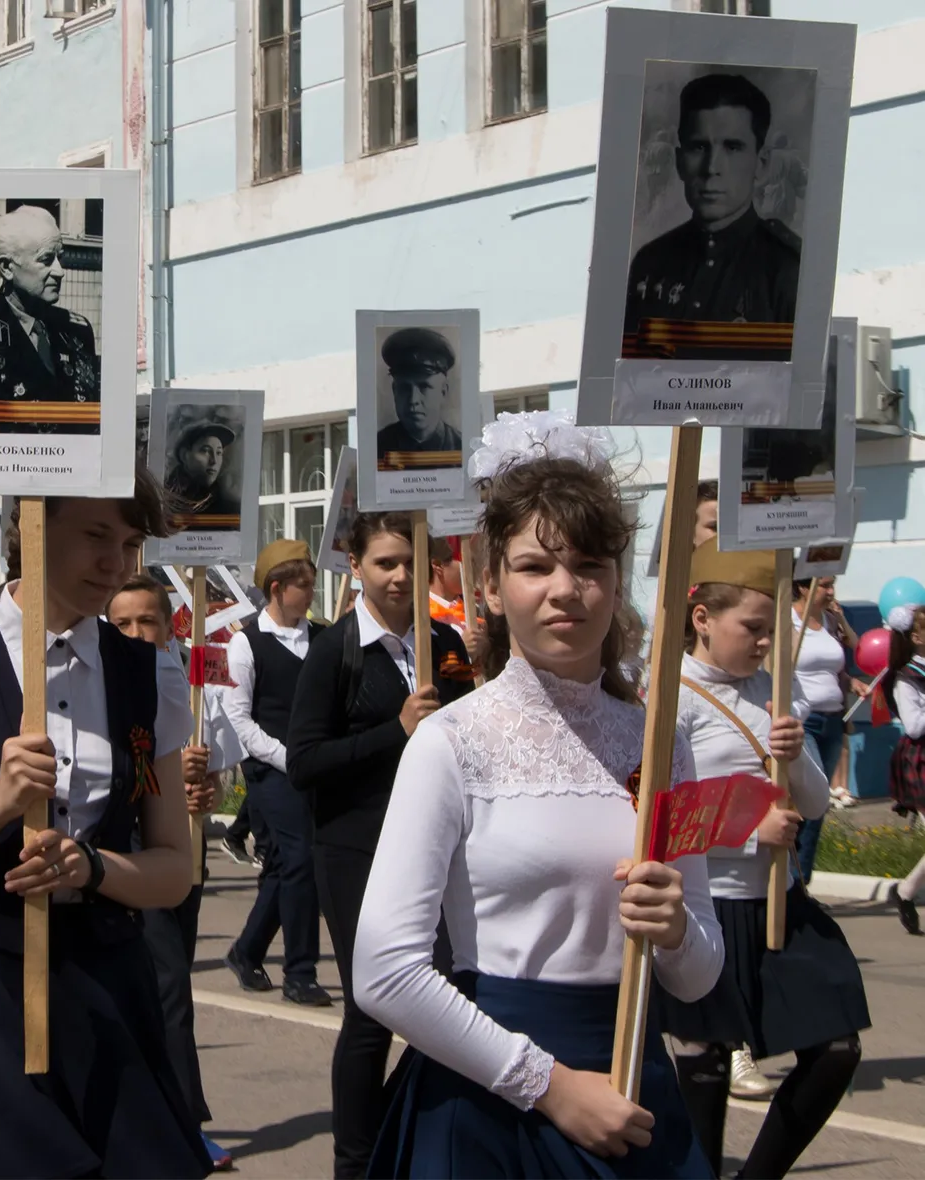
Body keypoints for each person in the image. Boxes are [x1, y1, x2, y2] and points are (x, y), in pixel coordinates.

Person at [354, 446, 722, 1178]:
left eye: (589, 565)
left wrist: (677, 928)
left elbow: (699, 977)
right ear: (491, 587)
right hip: (491, 1092)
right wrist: (549, 1088)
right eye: (535, 566)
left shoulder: (662, 743)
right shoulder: (450, 742)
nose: (565, 590)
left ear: (616, 584)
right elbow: (384, 970)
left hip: (632, 1087)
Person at [0, 474, 210, 1178]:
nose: (116, 563)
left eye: (129, 543)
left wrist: (92, 867)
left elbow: (172, 869)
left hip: (105, 972)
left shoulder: (149, 676)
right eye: (96, 536)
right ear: (30, 527)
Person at [659, 540, 867, 1179]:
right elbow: (659, 817)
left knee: (835, 1048)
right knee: (705, 1064)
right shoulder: (669, 697)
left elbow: (813, 801)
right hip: (710, 906)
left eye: (769, 629)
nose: (764, 642)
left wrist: (795, 754)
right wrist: (751, 831)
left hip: (778, 902)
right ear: (702, 619)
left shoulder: (773, 689)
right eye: (751, 627)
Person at [286, 513, 474, 1178]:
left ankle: (405, 1130)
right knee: (372, 1013)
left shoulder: (446, 642)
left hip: (439, 849)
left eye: (410, 563)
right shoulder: (334, 650)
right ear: (356, 567)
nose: (399, 576)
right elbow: (305, 762)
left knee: (454, 1000)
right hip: (357, 852)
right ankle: (355, 1161)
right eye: (385, 563)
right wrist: (397, 730)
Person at [107, 572, 234, 1172]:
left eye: (147, 621)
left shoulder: (193, 683)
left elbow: (220, 777)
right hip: (128, 855)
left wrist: (206, 789)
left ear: (169, 626)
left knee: (167, 982)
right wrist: (161, 776)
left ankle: (153, 1116)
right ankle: (183, 1125)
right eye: (123, 623)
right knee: (169, 989)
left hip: (184, 851)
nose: (136, 632)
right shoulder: (102, 684)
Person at [224, 539, 332, 1007]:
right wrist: (288, 757)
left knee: (287, 866)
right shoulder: (246, 643)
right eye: (303, 585)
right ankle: (300, 972)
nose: (311, 593)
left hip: (320, 769)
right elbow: (239, 718)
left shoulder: (324, 639)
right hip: (272, 771)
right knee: (302, 859)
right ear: (276, 588)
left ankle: (246, 951)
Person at [624, 73, 800, 358]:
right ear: (679, 162)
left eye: (732, 147)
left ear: (762, 164)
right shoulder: (650, 263)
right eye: (699, 147)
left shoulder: (788, 271)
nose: (711, 168)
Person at [0, 205, 100, 430]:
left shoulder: (77, 330)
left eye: (60, 258)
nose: (60, 271)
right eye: (46, 259)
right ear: (7, 268)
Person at [792, 575, 860, 885]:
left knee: (819, 805)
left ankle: (802, 882)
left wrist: (851, 682)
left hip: (833, 718)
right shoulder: (788, 619)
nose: (831, 591)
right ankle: (794, 882)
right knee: (810, 796)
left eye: (833, 585)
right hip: (804, 720)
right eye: (824, 585)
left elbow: (852, 652)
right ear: (803, 587)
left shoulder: (830, 621)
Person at [882, 604, 925, 935]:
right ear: (916, 637)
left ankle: (906, 891)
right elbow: (913, 726)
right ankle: (906, 892)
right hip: (920, 759)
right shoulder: (905, 678)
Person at [375, 328, 462, 463]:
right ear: (394, 391)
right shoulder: (376, 449)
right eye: (404, 388)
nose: (413, 400)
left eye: (424, 387)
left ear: (443, 392)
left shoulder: (463, 448)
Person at [426, 535, 488, 670]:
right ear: (438, 566)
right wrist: (460, 649)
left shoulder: (476, 610)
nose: (474, 570)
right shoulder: (422, 616)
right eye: (468, 562)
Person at [165, 420, 241, 524]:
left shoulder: (229, 507)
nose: (214, 461)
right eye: (205, 451)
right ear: (184, 456)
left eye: (219, 453)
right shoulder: (164, 499)